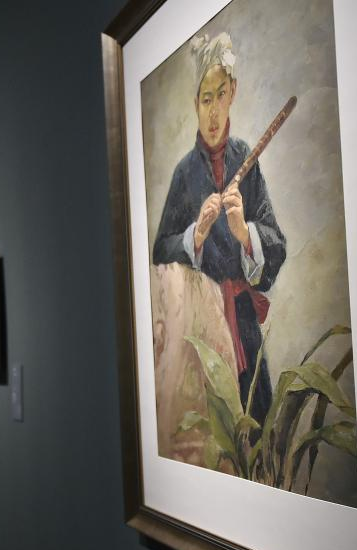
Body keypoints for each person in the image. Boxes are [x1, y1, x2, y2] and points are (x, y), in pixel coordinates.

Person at [152, 32, 287, 424]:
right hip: (199, 332)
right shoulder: (184, 174)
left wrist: (244, 233)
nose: (213, 113)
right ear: (195, 103)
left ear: (233, 94)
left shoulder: (247, 160)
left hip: (243, 325)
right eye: (206, 99)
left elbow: (277, 245)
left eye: (221, 96)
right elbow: (159, 252)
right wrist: (194, 236)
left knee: (256, 429)